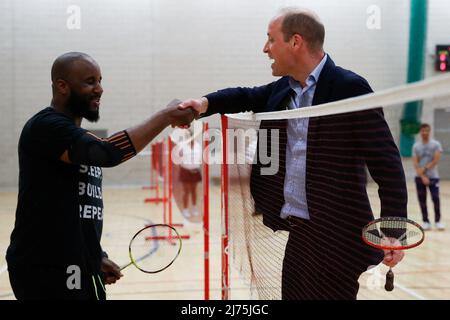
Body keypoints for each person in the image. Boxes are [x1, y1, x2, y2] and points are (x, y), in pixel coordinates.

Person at [179, 8, 407, 299]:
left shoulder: (349, 88)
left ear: (295, 42)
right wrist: (203, 104)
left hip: (337, 237)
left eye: (271, 40)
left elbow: (386, 164)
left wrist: (392, 229)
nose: (265, 49)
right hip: (300, 234)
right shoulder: (283, 90)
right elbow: (245, 95)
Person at [6, 52, 197, 300]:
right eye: (89, 82)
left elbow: (77, 209)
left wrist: (96, 256)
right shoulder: (46, 127)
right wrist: (166, 116)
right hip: (45, 269)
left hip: (79, 266)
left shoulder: (74, 136)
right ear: (62, 86)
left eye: (99, 80)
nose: (100, 89)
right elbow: (107, 152)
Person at [412, 123, 444, 231]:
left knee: (435, 198)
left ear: (429, 131)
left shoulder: (436, 144)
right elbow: (415, 163)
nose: (425, 132)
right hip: (419, 178)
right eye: (423, 131)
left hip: (433, 177)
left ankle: (438, 221)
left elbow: (435, 160)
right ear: (420, 132)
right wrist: (422, 176)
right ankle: (425, 221)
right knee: (422, 200)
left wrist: (424, 170)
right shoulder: (416, 146)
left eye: (427, 130)